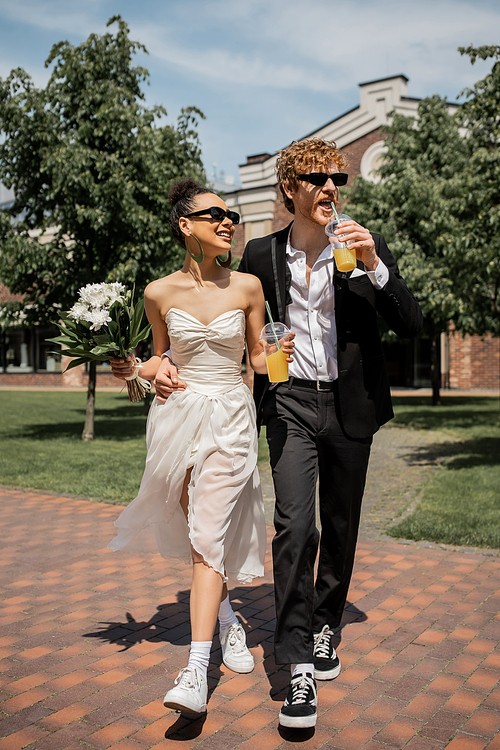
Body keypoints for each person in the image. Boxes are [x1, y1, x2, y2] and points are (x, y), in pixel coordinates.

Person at [155, 138, 423, 729]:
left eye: (338, 179)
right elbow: (217, 317)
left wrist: (376, 265)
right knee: (296, 524)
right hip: (290, 401)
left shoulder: (358, 246)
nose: (331, 188)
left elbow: (411, 322)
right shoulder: (260, 254)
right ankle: (297, 658)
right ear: (290, 190)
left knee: (342, 527)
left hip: (350, 405)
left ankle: (326, 625)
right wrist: (160, 362)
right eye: (318, 179)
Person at [108, 178, 295, 716]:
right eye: (213, 214)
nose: (226, 221)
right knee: (199, 532)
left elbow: (258, 363)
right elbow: (156, 365)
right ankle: (229, 617)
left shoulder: (249, 287)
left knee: (208, 530)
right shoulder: (158, 293)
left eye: (230, 213)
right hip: (177, 421)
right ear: (185, 227)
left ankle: (195, 670)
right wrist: (135, 368)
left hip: (232, 415)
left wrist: (277, 352)